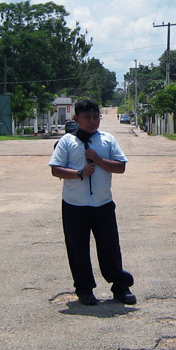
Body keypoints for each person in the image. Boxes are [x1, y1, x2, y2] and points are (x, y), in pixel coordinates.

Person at [49, 100, 135, 306]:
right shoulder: (67, 142)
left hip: (102, 203)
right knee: (77, 248)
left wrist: (98, 160)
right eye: (87, 117)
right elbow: (55, 169)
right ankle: (84, 289)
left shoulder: (107, 140)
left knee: (110, 247)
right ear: (76, 119)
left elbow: (120, 167)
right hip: (74, 205)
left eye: (95, 117)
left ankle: (120, 286)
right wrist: (79, 173)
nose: (92, 121)